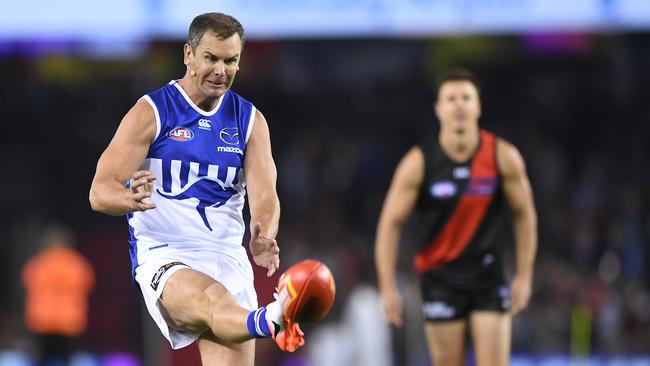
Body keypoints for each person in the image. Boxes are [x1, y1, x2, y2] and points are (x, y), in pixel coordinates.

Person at [89, 12, 304, 365]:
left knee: (222, 306)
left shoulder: (249, 121)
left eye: (231, 60)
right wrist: (129, 198)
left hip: (226, 254)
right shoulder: (153, 111)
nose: (222, 70)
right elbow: (99, 192)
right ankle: (271, 320)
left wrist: (263, 232)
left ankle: (265, 320)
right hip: (166, 252)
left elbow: (266, 194)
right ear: (188, 55)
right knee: (212, 298)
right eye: (212, 58)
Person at [375, 68, 538, 366]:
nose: (459, 105)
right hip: (440, 280)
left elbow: (524, 214)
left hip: (488, 277)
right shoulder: (418, 163)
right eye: (451, 99)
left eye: (466, 98)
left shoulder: (503, 156)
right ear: (438, 109)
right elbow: (390, 224)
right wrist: (387, 286)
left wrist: (524, 275)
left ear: (478, 106)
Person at [22, 225, 95, 365]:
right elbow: (88, 286)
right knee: (69, 359)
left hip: (42, 321)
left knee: (42, 360)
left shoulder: (37, 264)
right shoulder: (77, 264)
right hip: (70, 322)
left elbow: (27, 284)